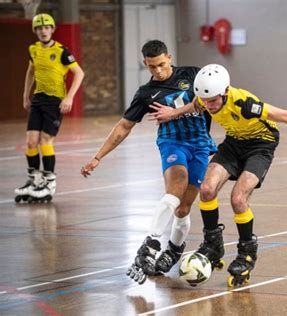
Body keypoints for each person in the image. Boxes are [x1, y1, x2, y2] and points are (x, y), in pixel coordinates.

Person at [150, 63, 287, 287]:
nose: (209, 106)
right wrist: (172, 113)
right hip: (234, 143)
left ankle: (246, 253)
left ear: (225, 92)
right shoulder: (205, 99)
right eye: (206, 101)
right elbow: (194, 106)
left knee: (238, 198)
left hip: (261, 145)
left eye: (214, 100)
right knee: (206, 189)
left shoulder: (244, 103)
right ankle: (213, 243)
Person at [80, 40, 216, 284]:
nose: (158, 71)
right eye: (152, 67)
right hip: (172, 143)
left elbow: (209, 101)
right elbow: (124, 126)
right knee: (176, 188)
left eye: (162, 64)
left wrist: (177, 111)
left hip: (200, 144)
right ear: (146, 64)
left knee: (183, 207)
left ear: (170, 57)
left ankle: (174, 250)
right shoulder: (145, 93)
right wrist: (98, 156)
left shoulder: (193, 74)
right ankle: (150, 245)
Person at [15, 13, 85, 202]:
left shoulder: (62, 51)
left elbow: (79, 73)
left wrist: (69, 97)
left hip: (55, 101)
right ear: (35, 31)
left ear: (52, 30)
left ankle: (49, 181)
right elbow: (31, 71)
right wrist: (25, 95)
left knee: (45, 141)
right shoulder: (33, 49)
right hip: (38, 99)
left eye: (47, 27)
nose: (43, 31)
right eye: (39, 28)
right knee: (31, 141)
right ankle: (34, 180)